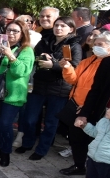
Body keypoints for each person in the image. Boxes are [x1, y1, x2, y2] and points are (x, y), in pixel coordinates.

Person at [17, 16, 82, 160]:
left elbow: (75, 67)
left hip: (59, 89)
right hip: (40, 85)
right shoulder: (45, 40)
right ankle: (27, 143)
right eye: (57, 25)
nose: (58, 28)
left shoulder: (74, 45)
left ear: (71, 29)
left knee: (51, 122)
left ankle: (41, 150)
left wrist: (53, 64)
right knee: (30, 119)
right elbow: (35, 58)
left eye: (63, 26)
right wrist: (43, 58)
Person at [58, 31, 110, 175]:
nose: (96, 47)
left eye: (100, 44)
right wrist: (67, 68)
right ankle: (80, 165)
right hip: (82, 105)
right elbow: (76, 81)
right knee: (76, 137)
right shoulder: (90, 61)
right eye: (95, 44)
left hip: (106, 109)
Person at [0, 21, 35, 166]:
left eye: (16, 31)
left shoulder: (26, 50)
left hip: (12, 94)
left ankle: (5, 152)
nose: (11, 34)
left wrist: (11, 56)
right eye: (9, 30)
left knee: (4, 124)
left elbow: (21, 72)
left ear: (22, 34)